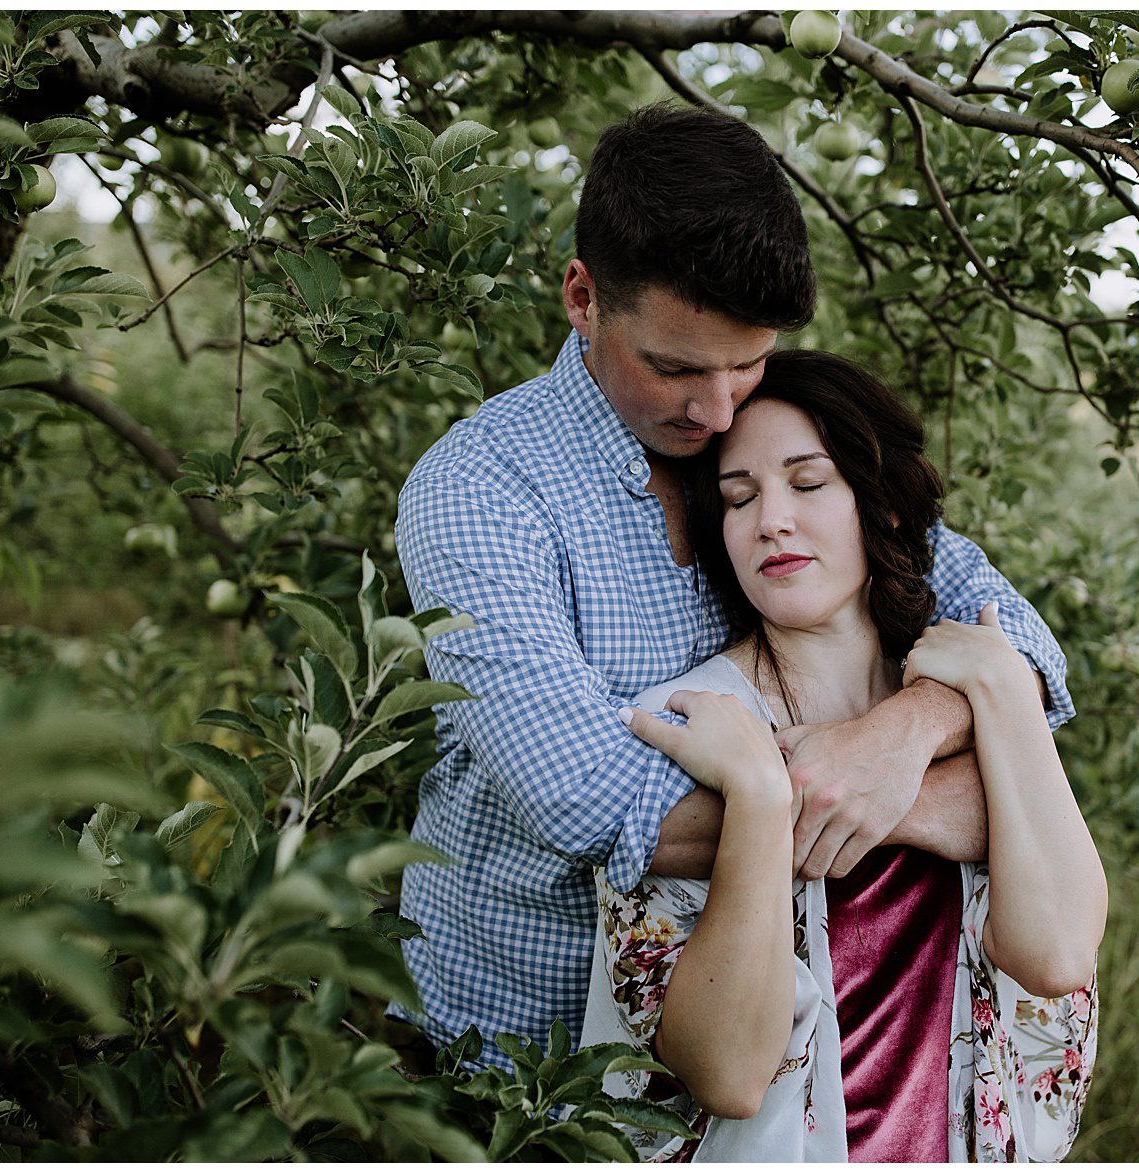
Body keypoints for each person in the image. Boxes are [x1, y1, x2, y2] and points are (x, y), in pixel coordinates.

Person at [393, 104, 1076, 1069]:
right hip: (522, 1066)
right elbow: (591, 803)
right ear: (583, 297)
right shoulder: (481, 492)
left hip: (790, 1042)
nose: (717, 412)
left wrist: (903, 734)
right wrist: (941, 800)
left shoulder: (778, 444)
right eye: (674, 368)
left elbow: (1028, 651)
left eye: (746, 364)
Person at [582, 351, 1106, 1161]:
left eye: (808, 482)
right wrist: (759, 796)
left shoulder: (962, 707)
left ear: (883, 505)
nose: (771, 520)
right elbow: (726, 1074)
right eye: (739, 496)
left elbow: (1057, 954)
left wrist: (1001, 687)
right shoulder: (686, 725)